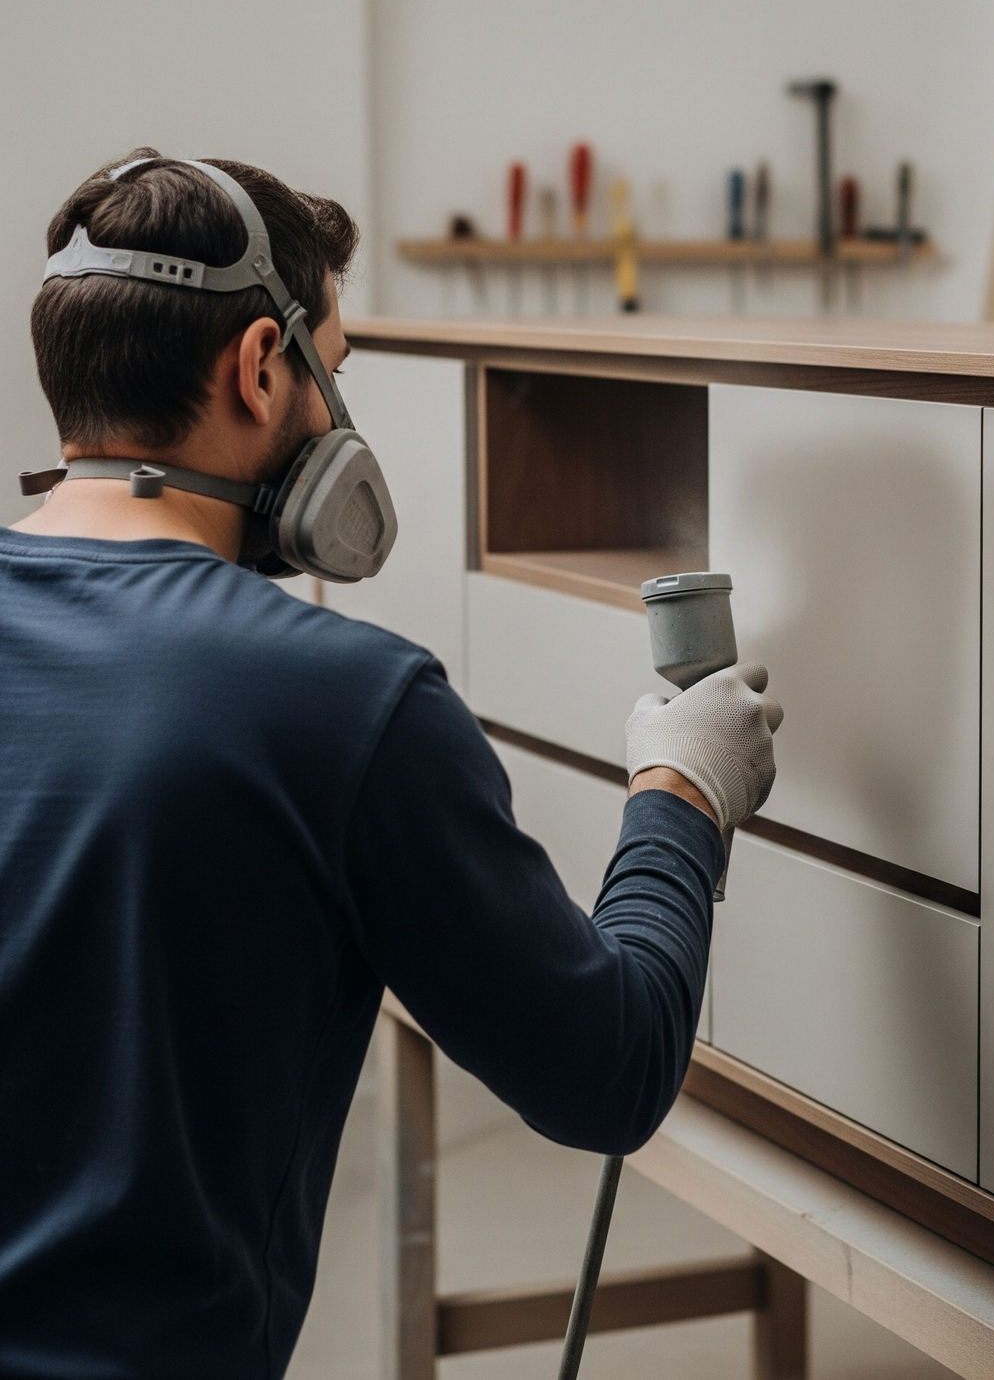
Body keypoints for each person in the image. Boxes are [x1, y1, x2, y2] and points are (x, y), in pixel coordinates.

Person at [0, 151, 782, 1377]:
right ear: (262, 367)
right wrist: (683, 788)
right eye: (336, 369)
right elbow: (609, 1071)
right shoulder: (343, 701)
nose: (338, 418)